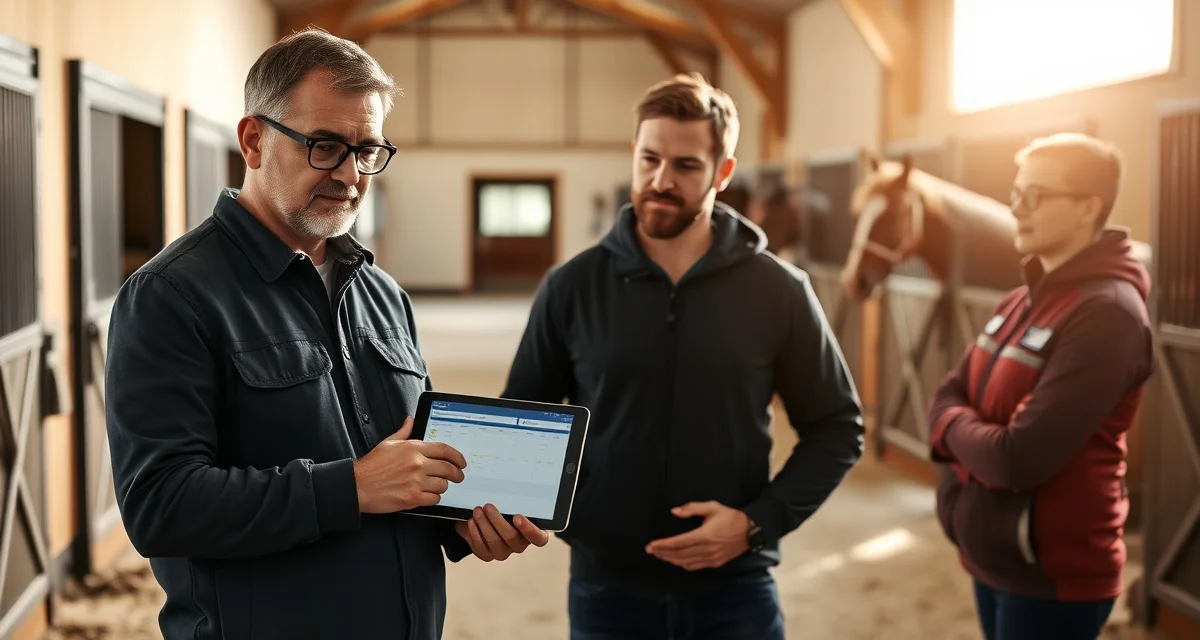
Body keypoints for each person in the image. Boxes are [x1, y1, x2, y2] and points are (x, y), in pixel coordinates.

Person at [104, 28, 549, 640]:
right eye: (324, 145)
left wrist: (462, 521)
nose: (350, 174)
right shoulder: (172, 296)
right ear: (254, 139)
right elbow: (160, 505)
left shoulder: (382, 294)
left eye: (367, 150)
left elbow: (406, 466)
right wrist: (350, 487)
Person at [500, 72, 865, 639]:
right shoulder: (571, 287)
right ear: (635, 155)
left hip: (736, 589)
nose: (660, 181)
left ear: (723, 171)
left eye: (686, 166)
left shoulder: (780, 290)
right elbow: (522, 421)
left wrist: (755, 523)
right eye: (649, 160)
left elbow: (838, 427)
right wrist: (583, 523)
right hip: (607, 590)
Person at [928, 132, 1155, 640]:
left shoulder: (1108, 313)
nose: (1018, 209)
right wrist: (961, 423)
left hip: (1052, 574)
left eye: (1037, 196)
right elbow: (945, 393)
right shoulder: (1017, 301)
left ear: (1087, 208)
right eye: (1016, 194)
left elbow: (1017, 458)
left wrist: (950, 427)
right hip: (995, 556)